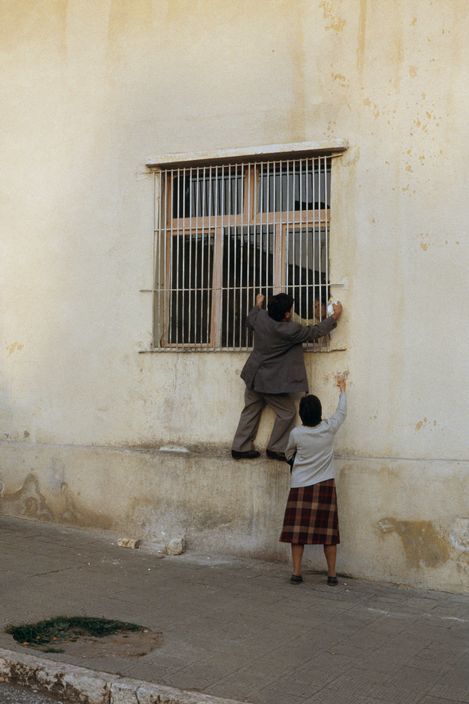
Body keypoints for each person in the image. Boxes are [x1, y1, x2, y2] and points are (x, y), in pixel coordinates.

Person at [231, 292, 342, 461]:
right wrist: (334, 316)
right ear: (287, 314)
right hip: (268, 381)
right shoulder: (289, 330)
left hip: (252, 375)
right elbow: (315, 331)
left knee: (251, 409)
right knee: (288, 412)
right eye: (290, 310)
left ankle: (240, 447)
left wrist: (257, 304)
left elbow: (250, 319)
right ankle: (275, 448)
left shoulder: (260, 317)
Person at [279, 375, 347, 585]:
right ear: (319, 413)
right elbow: (342, 412)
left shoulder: (297, 433)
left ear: (301, 414)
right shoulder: (329, 428)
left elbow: (288, 452)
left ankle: (297, 573)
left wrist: (294, 464)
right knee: (328, 534)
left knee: (297, 534)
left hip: (300, 486)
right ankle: (332, 575)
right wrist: (343, 389)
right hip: (325, 485)